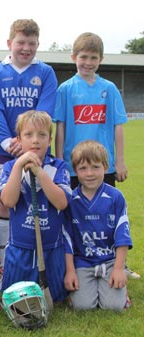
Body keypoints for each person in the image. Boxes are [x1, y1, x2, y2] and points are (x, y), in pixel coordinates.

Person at [53, 32, 139, 280]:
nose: (87, 62)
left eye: (93, 58)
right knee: (72, 217)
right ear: (73, 57)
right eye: (83, 57)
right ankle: (73, 264)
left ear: (100, 59)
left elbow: (118, 127)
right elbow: (60, 127)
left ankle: (117, 263)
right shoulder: (65, 89)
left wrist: (119, 161)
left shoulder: (109, 89)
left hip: (103, 167)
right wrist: (59, 160)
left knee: (108, 216)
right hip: (72, 169)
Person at [0, 19, 58, 286]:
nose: (26, 48)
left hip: (36, 147)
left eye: (31, 43)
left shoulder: (46, 72)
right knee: (4, 202)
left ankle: (36, 258)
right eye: (20, 42)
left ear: (38, 44)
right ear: (9, 43)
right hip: (4, 150)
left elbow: (45, 111)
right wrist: (6, 142)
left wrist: (30, 143)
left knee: (36, 204)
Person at [0, 110, 71, 302]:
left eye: (42, 135)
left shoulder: (59, 166)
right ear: (19, 140)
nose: (35, 140)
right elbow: (8, 201)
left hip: (51, 248)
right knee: (15, 297)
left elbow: (61, 202)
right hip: (20, 247)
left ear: (50, 139)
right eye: (28, 135)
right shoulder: (10, 167)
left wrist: (39, 172)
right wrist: (18, 166)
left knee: (55, 299)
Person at [63, 140, 133, 311]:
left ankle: (122, 287)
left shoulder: (116, 197)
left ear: (106, 167)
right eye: (83, 168)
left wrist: (118, 268)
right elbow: (67, 240)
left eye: (95, 167)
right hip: (83, 262)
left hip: (110, 261)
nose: (90, 173)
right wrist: (70, 271)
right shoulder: (71, 200)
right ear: (75, 171)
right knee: (83, 306)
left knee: (114, 306)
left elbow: (122, 236)